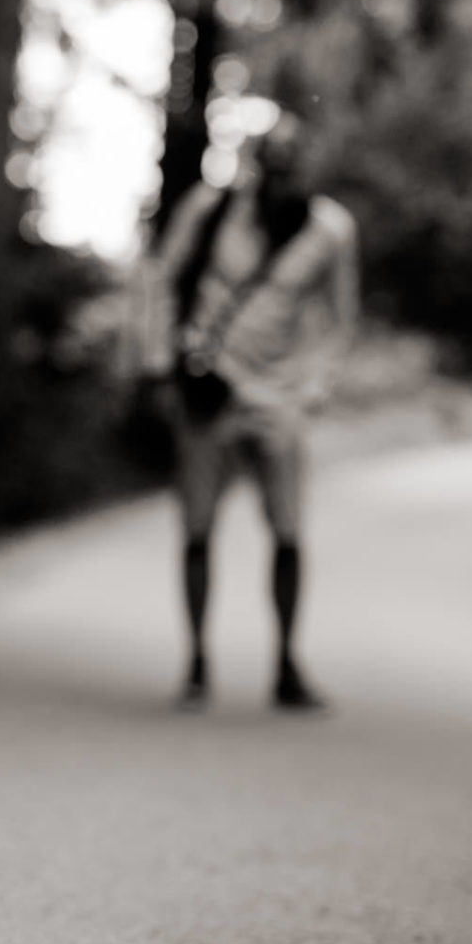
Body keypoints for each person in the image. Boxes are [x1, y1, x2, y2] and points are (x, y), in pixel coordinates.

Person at [131, 99, 359, 711]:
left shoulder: (331, 229)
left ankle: (286, 664)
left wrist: (314, 389)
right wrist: (158, 364)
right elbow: (159, 275)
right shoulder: (212, 209)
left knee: (287, 533)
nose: (279, 176)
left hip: (279, 397)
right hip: (208, 389)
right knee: (198, 528)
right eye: (270, 163)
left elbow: (339, 323)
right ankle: (197, 663)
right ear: (255, 163)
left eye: (291, 166)